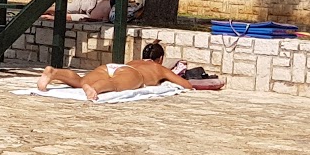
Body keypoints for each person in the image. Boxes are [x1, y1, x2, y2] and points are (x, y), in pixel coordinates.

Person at [37, 41, 197, 101]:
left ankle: (54, 72)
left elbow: (124, 70)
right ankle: (94, 89)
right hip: (134, 75)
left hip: (114, 67)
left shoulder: (135, 61)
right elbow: (186, 85)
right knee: (114, 84)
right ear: (160, 58)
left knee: (80, 81)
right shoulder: (159, 68)